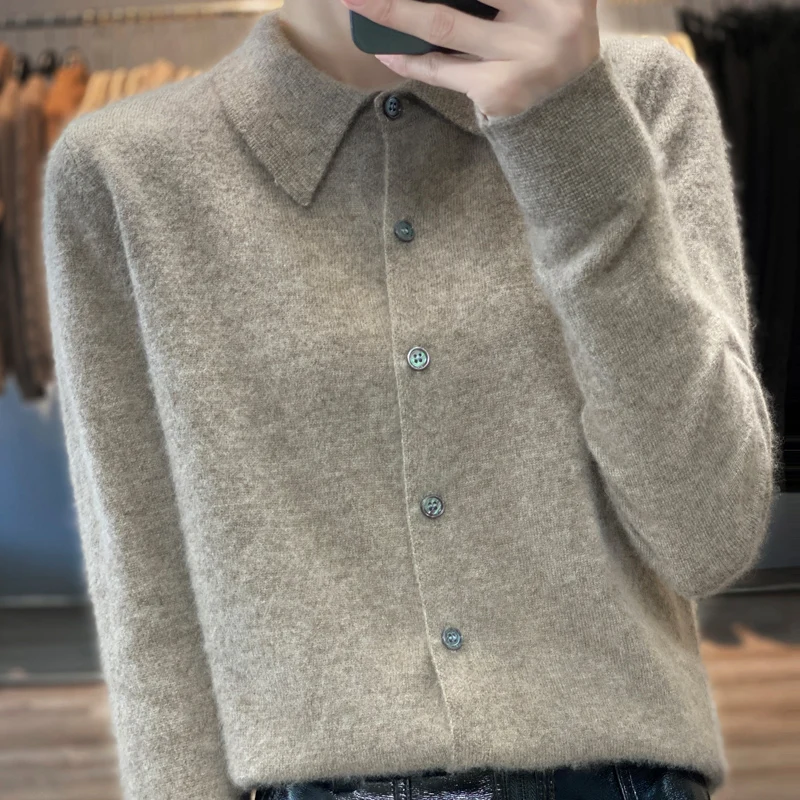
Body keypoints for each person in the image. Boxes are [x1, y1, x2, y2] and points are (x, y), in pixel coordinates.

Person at [41, 1, 780, 799]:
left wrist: (567, 137)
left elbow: (709, 537)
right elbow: (151, 610)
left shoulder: (639, 98)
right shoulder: (123, 172)